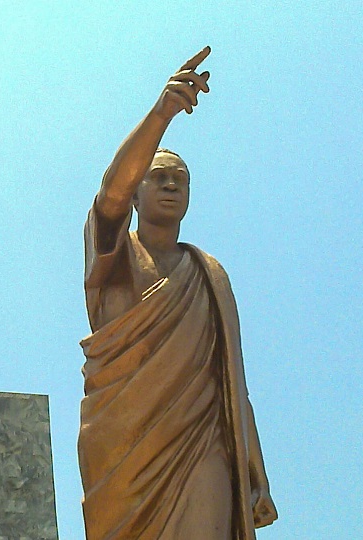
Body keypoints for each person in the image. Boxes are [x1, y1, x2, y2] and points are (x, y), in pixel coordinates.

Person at [79, 46, 277, 540]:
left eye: (180, 181)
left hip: (201, 442)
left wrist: (257, 475)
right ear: (139, 193)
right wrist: (162, 114)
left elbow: (234, 381)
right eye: (158, 177)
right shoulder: (115, 257)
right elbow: (109, 195)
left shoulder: (208, 275)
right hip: (123, 444)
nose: (170, 186)